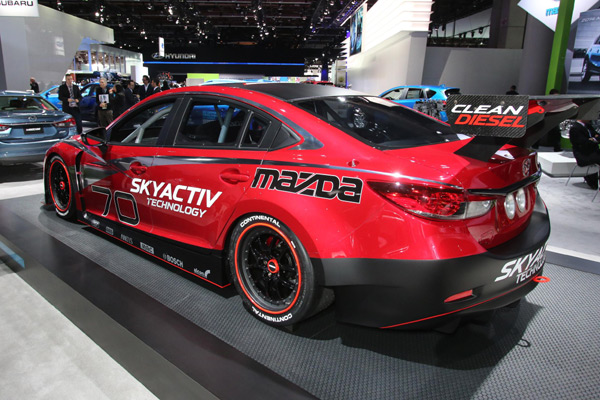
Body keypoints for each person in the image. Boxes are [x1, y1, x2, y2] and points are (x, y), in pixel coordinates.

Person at [569, 119, 600, 189]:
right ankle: (593, 181)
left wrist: (593, 139)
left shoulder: (588, 126)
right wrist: (594, 139)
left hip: (593, 152)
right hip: (583, 155)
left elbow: (598, 136)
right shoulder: (575, 128)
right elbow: (583, 144)